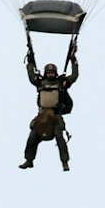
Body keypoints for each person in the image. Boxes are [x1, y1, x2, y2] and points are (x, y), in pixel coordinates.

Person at [19, 38, 77, 171]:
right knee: (32, 137)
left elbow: (74, 75)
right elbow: (31, 74)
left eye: (52, 72)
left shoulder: (61, 83)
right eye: (48, 72)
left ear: (55, 73)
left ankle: (65, 162)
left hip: (55, 117)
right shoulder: (40, 82)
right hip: (42, 116)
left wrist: (73, 60)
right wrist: (30, 61)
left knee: (59, 137)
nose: (50, 74)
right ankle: (29, 160)